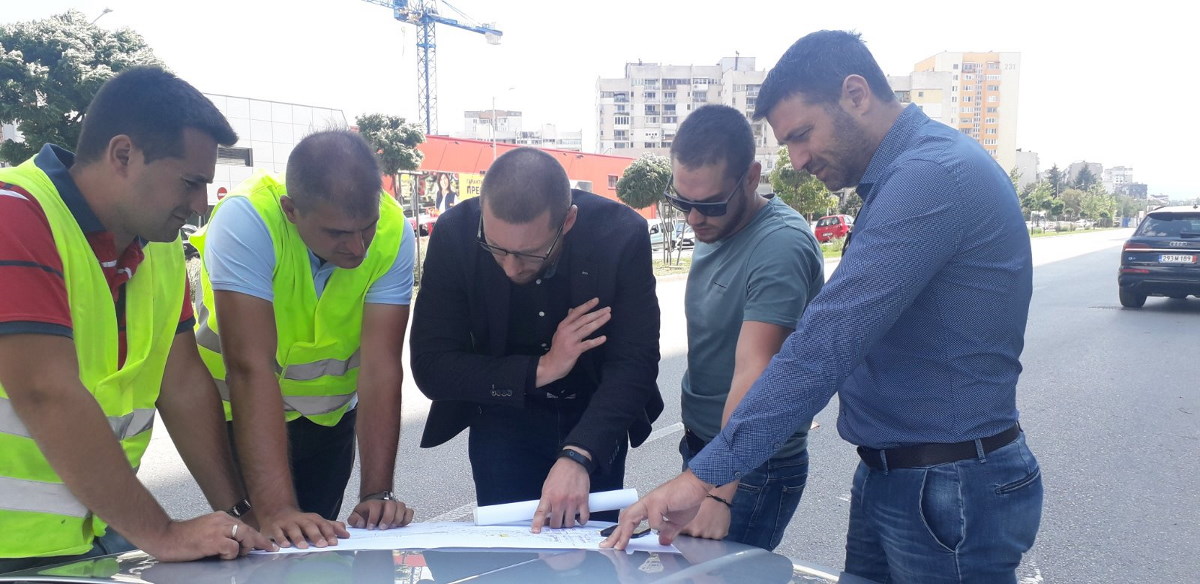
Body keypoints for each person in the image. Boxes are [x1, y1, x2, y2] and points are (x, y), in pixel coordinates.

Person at [605, 30, 1043, 584]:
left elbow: (823, 345)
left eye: (802, 135)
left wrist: (705, 479)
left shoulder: (932, 177)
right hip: (902, 473)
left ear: (856, 94)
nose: (797, 160)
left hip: (948, 485)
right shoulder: (903, 176)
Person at [0, 66, 274, 573]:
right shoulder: (13, 214)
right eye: (190, 182)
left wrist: (243, 514)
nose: (199, 205)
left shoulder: (161, 247)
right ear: (123, 154)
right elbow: (44, 391)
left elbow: (182, 384)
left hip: (93, 530)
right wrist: (163, 534)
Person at [410, 147, 662, 532]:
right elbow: (432, 367)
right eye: (495, 248)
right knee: (511, 554)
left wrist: (580, 454)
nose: (510, 268)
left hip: (594, 412)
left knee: (593, 554)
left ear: (568, 221)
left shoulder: (620, 234)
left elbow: (634, 363)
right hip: (502, 416)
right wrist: (542, 369)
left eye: (530, 254)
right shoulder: (455, 233)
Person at [191, 130, 416, 548]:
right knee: (258, 547)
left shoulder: (394, 230)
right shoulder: (248, 218)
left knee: (316, 549)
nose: (358, 248)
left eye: (366, 228)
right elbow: (250, 367)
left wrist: (377, 494)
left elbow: (381, 368)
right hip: (238, 415)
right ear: (291, 210)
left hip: (328, 421)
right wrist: (276, 509)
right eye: (337, 233)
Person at [666, 104, 824, 550]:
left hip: (751, 468)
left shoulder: (779, 246)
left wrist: (719, 489)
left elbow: (754, 370)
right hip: (709, 450)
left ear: (752, 178)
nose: (694, 218)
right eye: (682, 202)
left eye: (709, 205)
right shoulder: (716, 225)